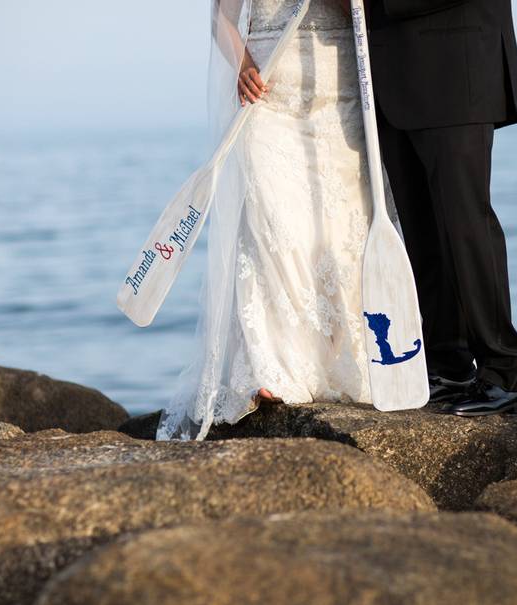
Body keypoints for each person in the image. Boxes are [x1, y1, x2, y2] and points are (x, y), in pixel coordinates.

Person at [157, 0, 392, 440]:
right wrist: (242, 62)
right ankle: (270, 366)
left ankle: (345, 361)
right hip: (269, 92)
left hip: (338, 90)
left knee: (340, 230)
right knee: (275, 228)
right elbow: (222, 18)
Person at [367, 0, 517, 415]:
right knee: (422, 230)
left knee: (466, 226)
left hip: (456, 71)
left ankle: (503, 372)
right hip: (392, 75)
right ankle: (448, 364)